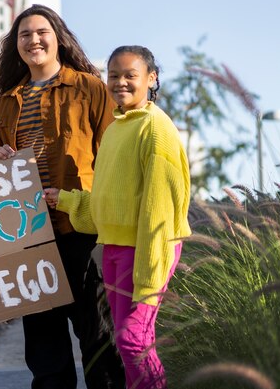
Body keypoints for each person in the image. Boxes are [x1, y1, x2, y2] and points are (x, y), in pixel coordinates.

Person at [0, 4, 125, 389]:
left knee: (97, 334)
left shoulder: (90, 88)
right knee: (44, 344)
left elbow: (112, 155)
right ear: (16, 47)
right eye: (24, 35)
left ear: (57, 37)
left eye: (41, 32)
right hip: (30, 238)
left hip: (82, 227)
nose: (33, 40)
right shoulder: (5, 103)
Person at [44, 45, 192, 389]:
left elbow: (162, 211)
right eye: (114, 75)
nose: (120, 82)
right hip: (113, 248)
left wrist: (150, 271)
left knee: (133, 341)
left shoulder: (156, 129)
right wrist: (66, 200)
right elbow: (110, 200)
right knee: (128, 348)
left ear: (151, 79)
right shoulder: (115, 129)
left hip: (146, 250)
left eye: (130, 75)